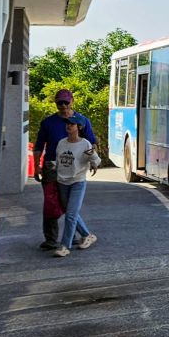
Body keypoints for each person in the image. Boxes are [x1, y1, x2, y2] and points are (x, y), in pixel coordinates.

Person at [32, 88, 98, 250]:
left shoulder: (82, 120)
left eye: (65, 102)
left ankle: (76, 237)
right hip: (51, 167)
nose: (62, 106)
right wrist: (36, 166)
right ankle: (51, 239)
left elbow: (92, 144)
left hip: (74, 169)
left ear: (72, 101)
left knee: (68, 206)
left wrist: (92, 161)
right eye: (59, 102)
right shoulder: (48, 122)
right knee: (51, 204)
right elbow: (39, 146)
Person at [53, 119, 100, 257]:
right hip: (62, 181)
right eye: (67, 124)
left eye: (72, 124)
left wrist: (93, 159)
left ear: (78, 127)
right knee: (70, 213)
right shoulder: (61, 143)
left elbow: (96, 161)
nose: (68, 126)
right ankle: (87, 235)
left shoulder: (85, 144)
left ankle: (64, 246)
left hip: (78, 182)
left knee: (71, 215)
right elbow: (59, 161)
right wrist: (53, 166)